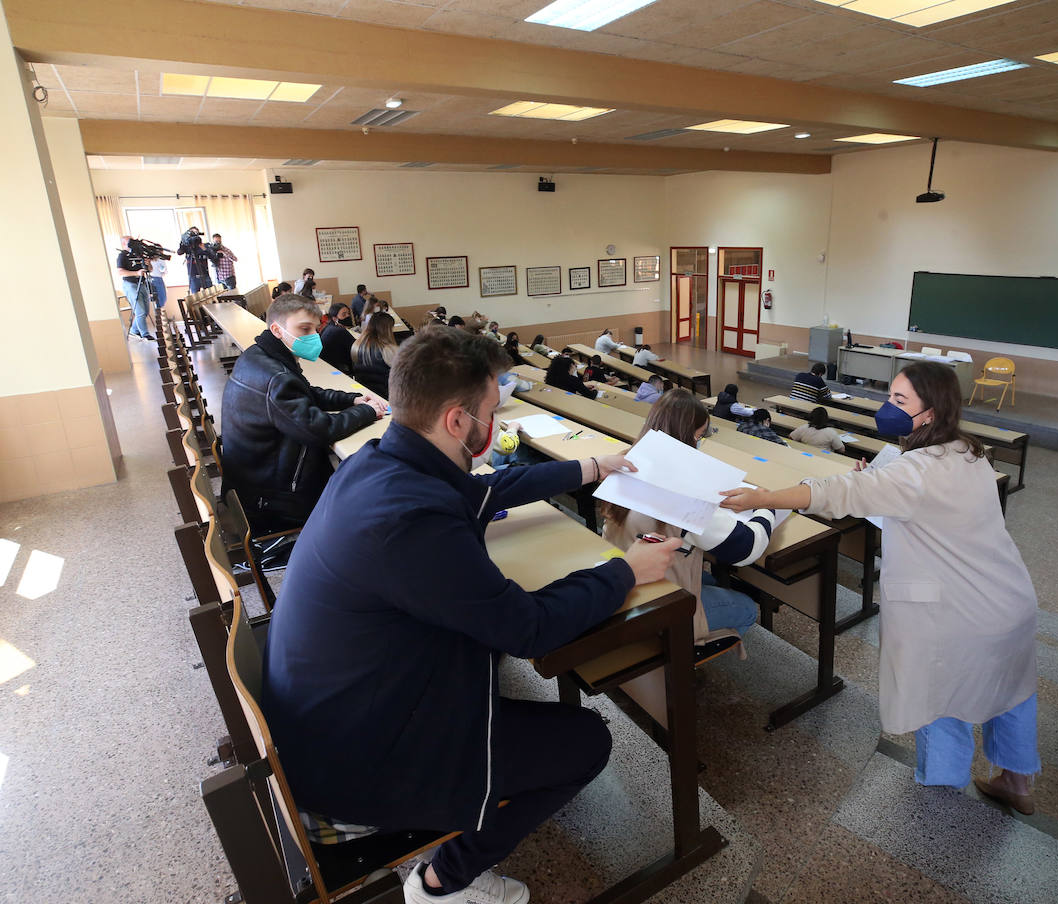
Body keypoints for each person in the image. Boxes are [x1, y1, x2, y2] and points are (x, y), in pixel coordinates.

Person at [260, 325, 678, 904]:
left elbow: (485, 491)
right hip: (359, 762)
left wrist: (591, 468)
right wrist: (627, 571)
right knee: (586, 742)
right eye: (490, 409)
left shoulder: (386, 459)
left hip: (339, 712)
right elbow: (529, 628)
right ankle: (443, 882)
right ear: (459, 421)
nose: (494, 421)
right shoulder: (411, 520)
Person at [720, 361, 1041, 814]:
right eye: (889, 396)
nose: (887, 407)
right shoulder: (969, 454)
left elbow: (835, 492)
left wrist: (764, 497)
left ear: (929, 413)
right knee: (1011, 691)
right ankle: (1017, 782)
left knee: (940, 696)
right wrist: (878, 483)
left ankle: (942, 794)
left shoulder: (914, 472)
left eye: (899, 401)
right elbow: (924, 514)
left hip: (957, 616)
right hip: (1008, 600)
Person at [603, 390, 778, 642]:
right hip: (658, 601)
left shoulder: (625, 460)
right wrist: (765, 505)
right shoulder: (683, 492)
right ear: (685, 436)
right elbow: (747, 548)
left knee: (710, 580)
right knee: (747, 608)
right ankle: (684, 661)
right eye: (698, 436)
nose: (699, 443)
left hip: (622, 580)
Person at [220, 294, 387, 533]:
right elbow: (320, 429)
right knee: (361, 496)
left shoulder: (259, 355)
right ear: (277, 330)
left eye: (315, 329)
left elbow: (305, 392)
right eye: (304, 329)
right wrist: (367, 411)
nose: (313, 336)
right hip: (272, 499)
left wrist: (352, 399)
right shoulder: (276, 377)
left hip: (253, 482)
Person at [115, 236, 155, 341]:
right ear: (124, 243)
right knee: (140, 311)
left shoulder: (138, 254)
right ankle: (145, 334)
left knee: (145, 311)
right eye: (130, 241)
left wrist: (148, 264)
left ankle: (134, 330)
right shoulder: (122, 256)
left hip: (142, 283)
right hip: (130, 284)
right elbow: (120, 272)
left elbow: (149, 269)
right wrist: (136, 273)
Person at [351, 311, 400, 397]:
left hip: (365, 393)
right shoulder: (389, 350)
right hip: (386, 394)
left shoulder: (357, 345)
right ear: (388, 329)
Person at [318, 302, 356, 371]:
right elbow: (356, 348)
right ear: (334, 318)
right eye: (344, 314)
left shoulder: (328, 327)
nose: (347, 316)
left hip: (328, 366)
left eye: (348, 314)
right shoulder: (339, 331)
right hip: (340, 368)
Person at [178, 227, 213, 292]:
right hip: (193, 276)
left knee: (211, 294)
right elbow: (179, 252)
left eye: (195, 234)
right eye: (192, 234)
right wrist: (183, 241)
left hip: (205, 274)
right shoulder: (187, 248)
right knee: (195, 296)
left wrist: (204, 249)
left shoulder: (204, 246)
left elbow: (212, 256)